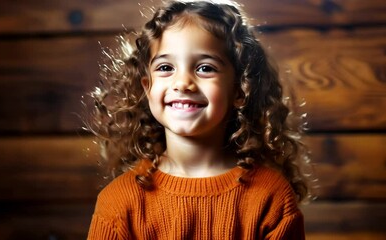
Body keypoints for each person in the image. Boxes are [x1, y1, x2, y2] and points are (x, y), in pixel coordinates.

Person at [87, 0, 310, 239]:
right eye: (165, 67)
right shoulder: (119, 203)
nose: (183, 83)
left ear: (239, 90)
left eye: (205, 68)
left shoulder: (271, 197)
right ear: (147, 88)